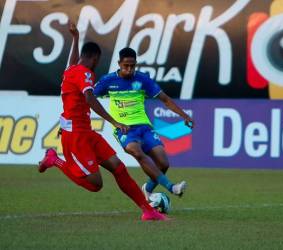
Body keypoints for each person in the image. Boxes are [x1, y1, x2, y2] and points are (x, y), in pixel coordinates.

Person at [38, 23, 166, 221]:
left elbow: (72, 62)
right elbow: (90, 99)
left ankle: (148, 211)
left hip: (86, 132)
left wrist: (75, 38)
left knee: (118, 167)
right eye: (98, 60)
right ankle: (54, 160)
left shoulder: (71, 70)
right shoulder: (86, 73)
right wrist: (115, 122)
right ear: (95, 58)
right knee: (95, 184)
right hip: (76, 136)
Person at [92, 47, 194, 201]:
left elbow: (165, 99)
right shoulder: (108, 81)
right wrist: (114, 122)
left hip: (144, 127)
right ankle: (172, 187)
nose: (129, 69)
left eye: (133, 66)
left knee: (163, 163)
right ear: (119, 63)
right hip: (124, 128)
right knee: (136, 151)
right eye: (126, 65)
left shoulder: (142, 79)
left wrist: (184, 116)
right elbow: (88, 98)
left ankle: (147, 190)